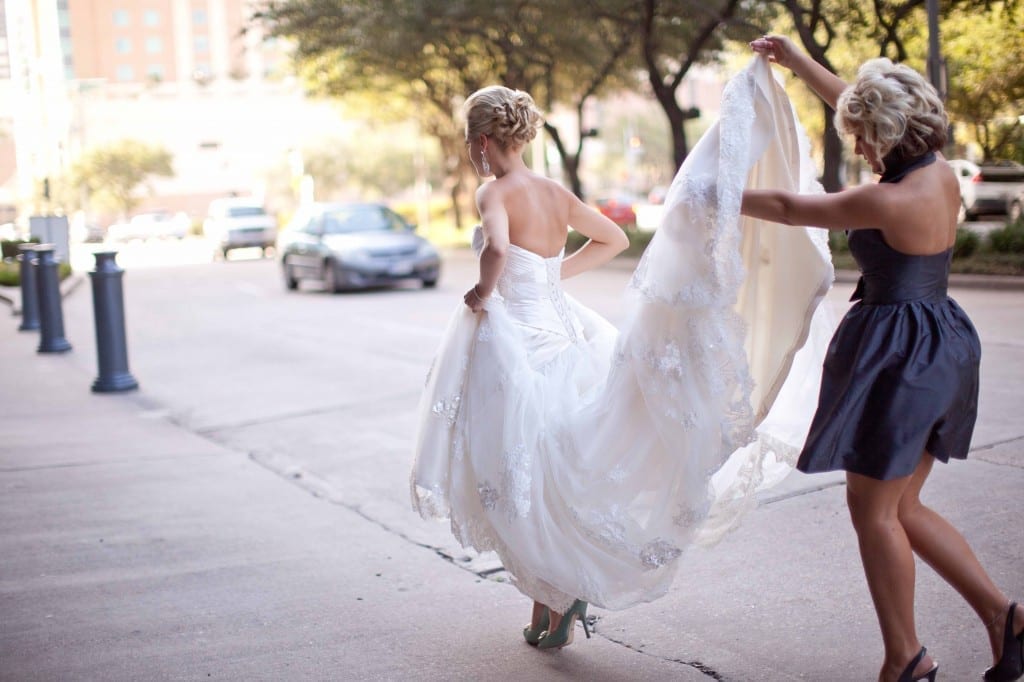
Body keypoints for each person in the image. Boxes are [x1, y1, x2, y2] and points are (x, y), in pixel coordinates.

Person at [411, 73, 832, 654]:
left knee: (523, 476)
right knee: (559, 466)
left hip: (518, 342)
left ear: (483, 141)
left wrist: (484, 292)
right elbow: (611, 238)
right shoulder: (554, 191)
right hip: (565, 332)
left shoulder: (493, 194)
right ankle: (554, 601)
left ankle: (555, 599)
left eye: (469, 143)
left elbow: (501, 249)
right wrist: (555, 276)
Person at [743, 35, 1024, 682]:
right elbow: (859, 102)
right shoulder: (938, 171)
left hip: (898, 355)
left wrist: (711, 193)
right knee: (901, 507)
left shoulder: (885, 199)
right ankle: (1003, 616)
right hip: (942, 342)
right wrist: (797, 60)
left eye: (865, 138)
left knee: (871, 510)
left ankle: (907, 658)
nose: (860, 149)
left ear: (890, 133)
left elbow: (789, 208)